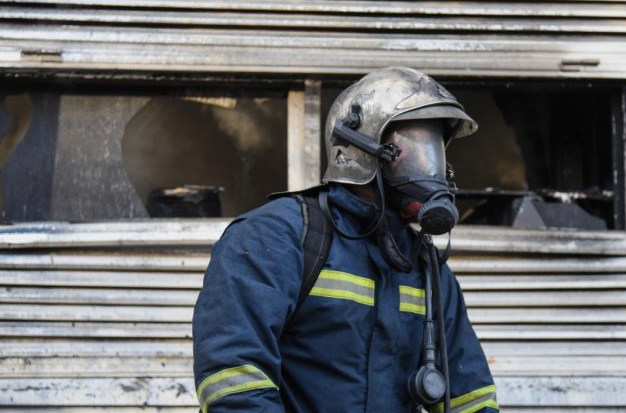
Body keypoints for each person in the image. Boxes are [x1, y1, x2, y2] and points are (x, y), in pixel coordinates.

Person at [193, 66, 497, 413]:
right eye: (413, 149)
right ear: (359, 148)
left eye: (435, 151)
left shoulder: (427, 270)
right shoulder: (276, 237)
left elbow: (471, 398)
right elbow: (234, 383)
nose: (431, 170)